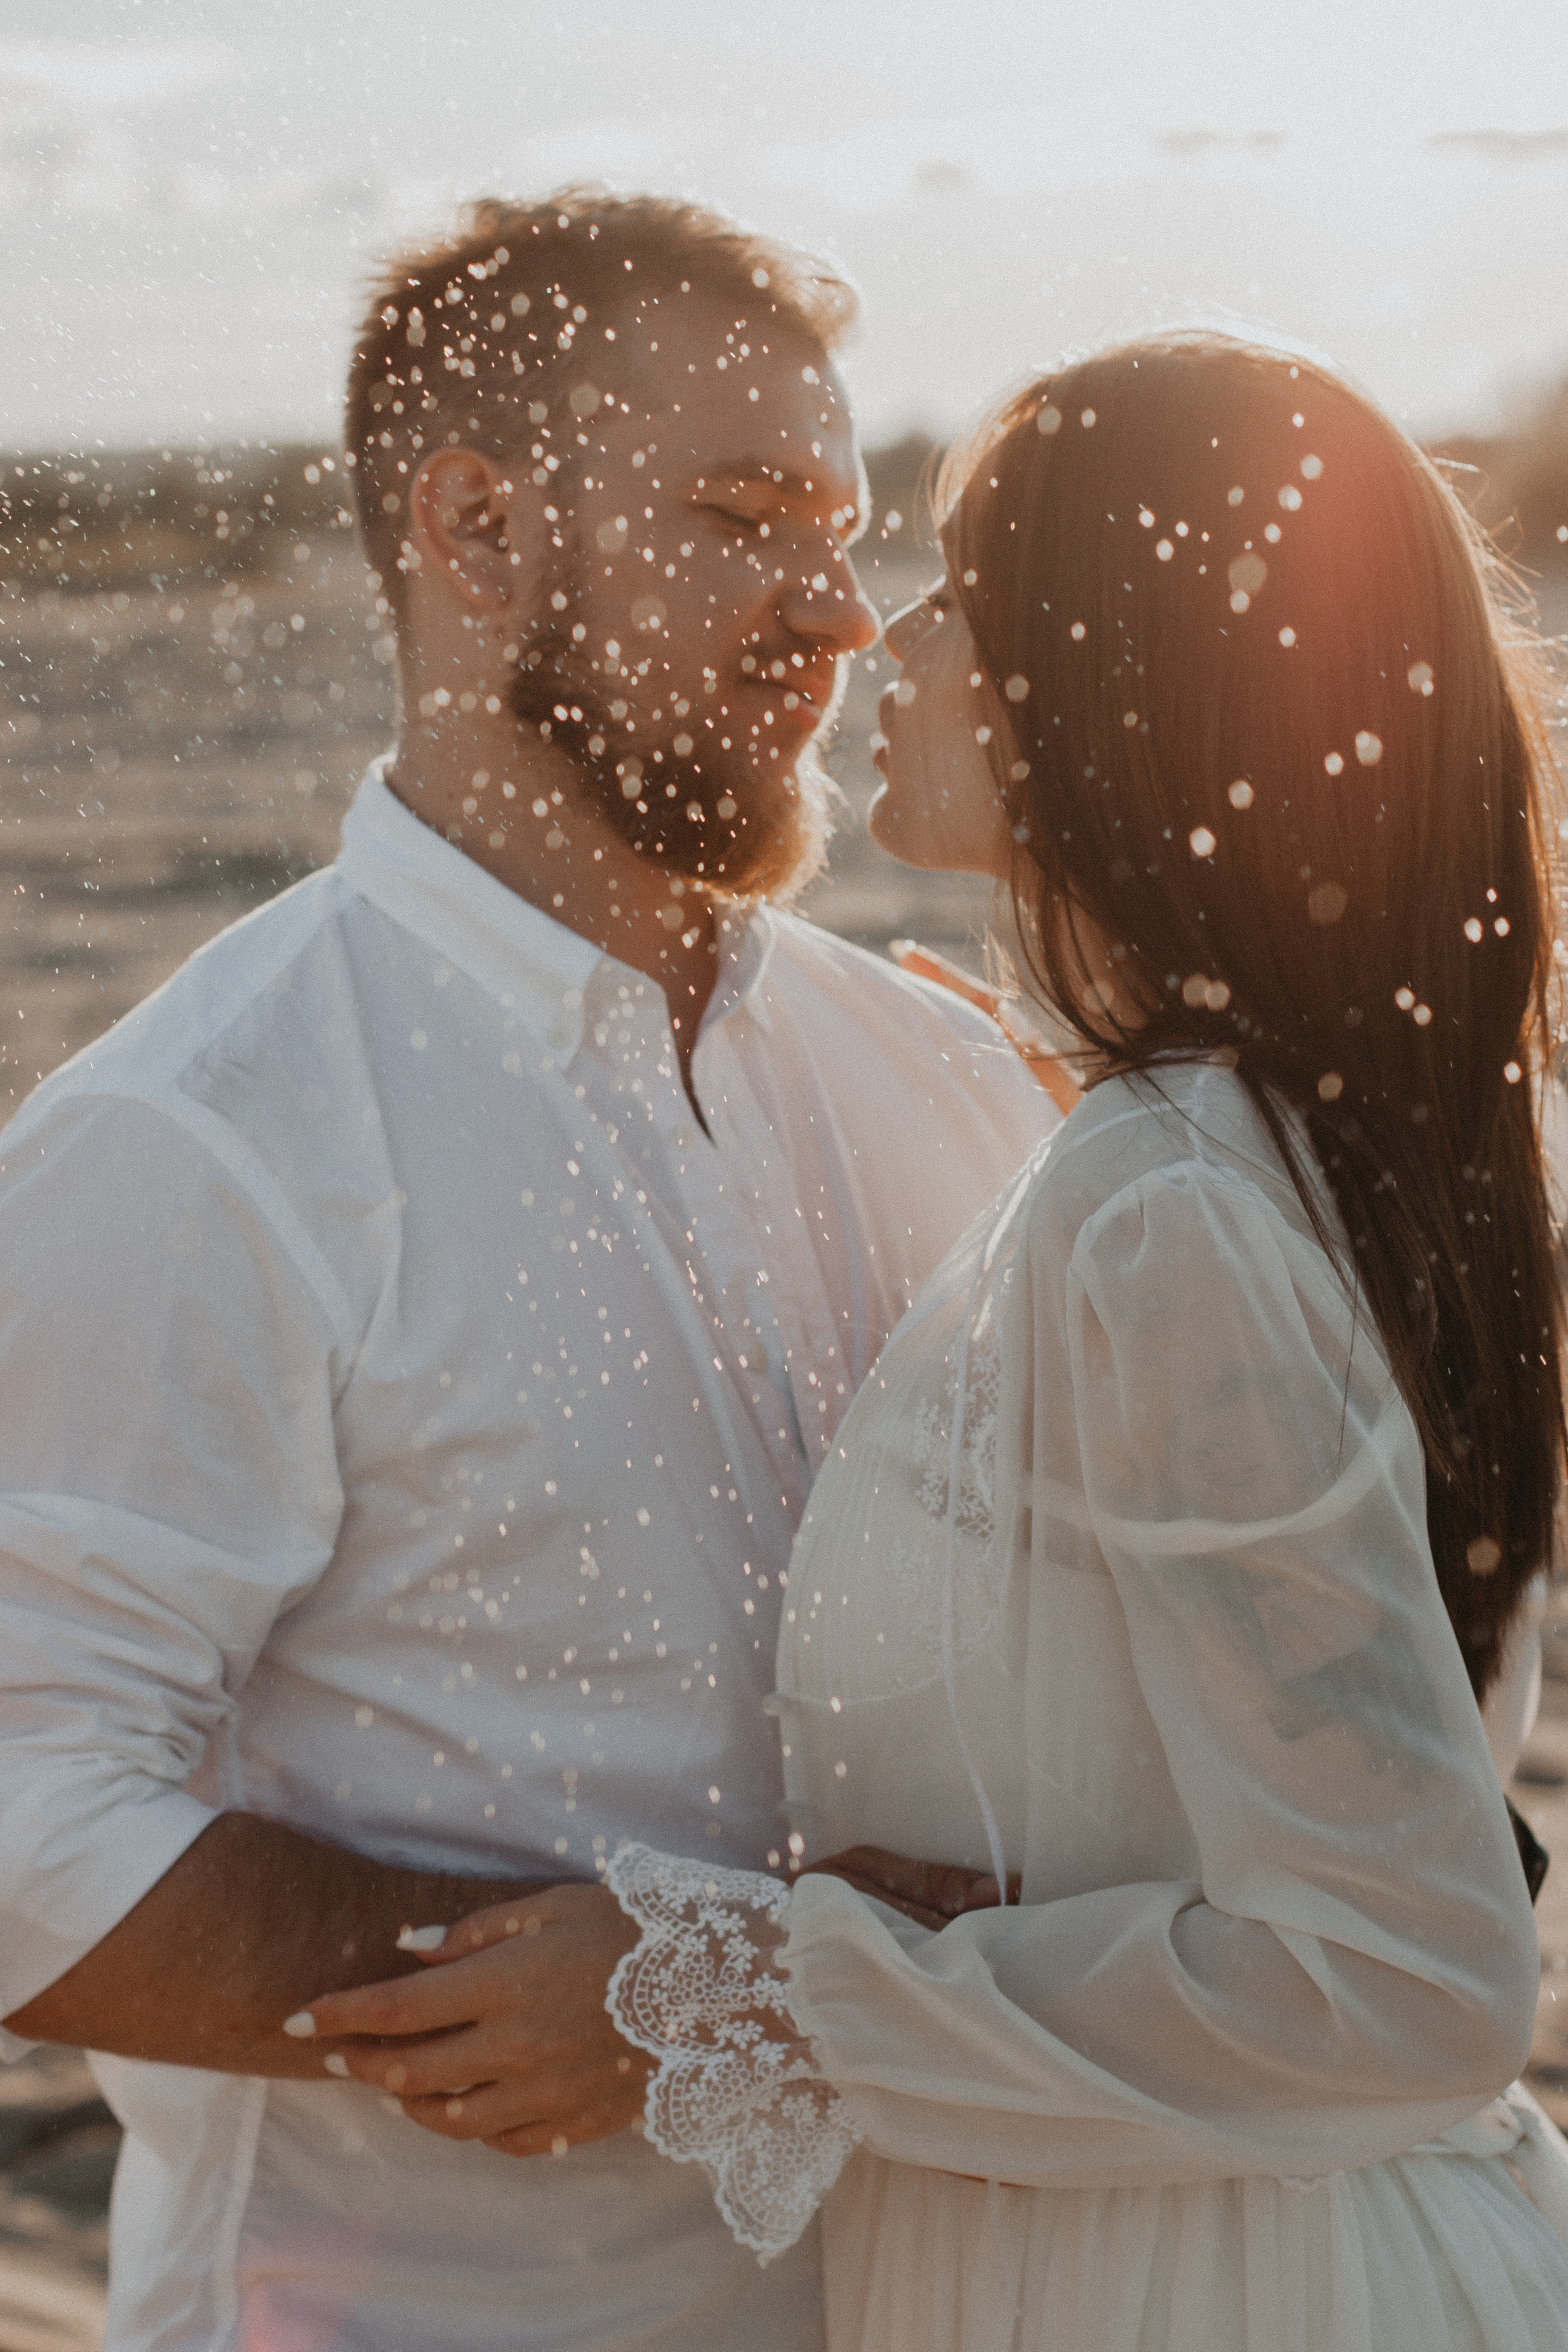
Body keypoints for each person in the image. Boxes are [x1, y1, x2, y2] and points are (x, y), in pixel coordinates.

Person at [311, 333, 1568, 2350]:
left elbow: (1403, 1982)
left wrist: (735, 2000)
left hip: (1199, 2289)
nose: (885, 629)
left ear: (1125, 679)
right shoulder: (1294, 1146)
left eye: (965, 590)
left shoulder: (1172, 1216)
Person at [0, 191, 1054, 2352]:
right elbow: (26, 1823)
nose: (837, 617)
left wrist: (776, 1982)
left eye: (840, 530)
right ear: (476, 533)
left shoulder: (940, 1074)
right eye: (748, 517)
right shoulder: (205, 1135)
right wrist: (615, 1999)